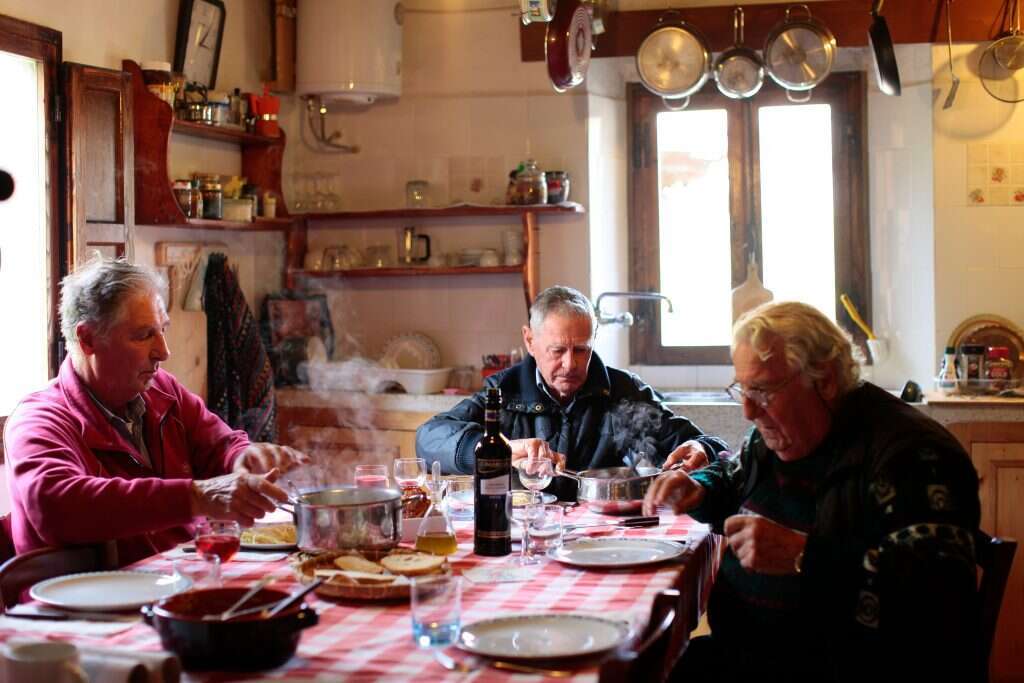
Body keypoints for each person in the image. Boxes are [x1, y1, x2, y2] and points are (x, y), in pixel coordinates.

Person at [644, 301, 981, 683]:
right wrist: (697, 490)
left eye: (764, 390)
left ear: (826, 379)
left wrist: (804, 555)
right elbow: (731, 478)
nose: (749, 411)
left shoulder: (912, 455)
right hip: (748, 654)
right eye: (742, 389)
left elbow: (936, 602)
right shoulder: (777, 438)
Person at [4, 259, 307, 567]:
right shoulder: (39, 420)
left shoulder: (162, 390)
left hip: (172, 580)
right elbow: (55, 507)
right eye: (143, 335)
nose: (163, 351)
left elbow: (219, 444)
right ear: (88, 339)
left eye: (162, 330)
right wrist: (196, 497)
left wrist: (243, 457)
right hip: (79, 608)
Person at [416, 286, 728, 500]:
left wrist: (702, 451)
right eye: (557, 350)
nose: (570, 363)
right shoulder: (503, 392)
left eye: (581, 349)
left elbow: (709, 445)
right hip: (527, 533)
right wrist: (502, 449)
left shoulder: (623, 393)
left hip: (607, 538)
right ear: (529, 340)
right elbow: (428, 437)